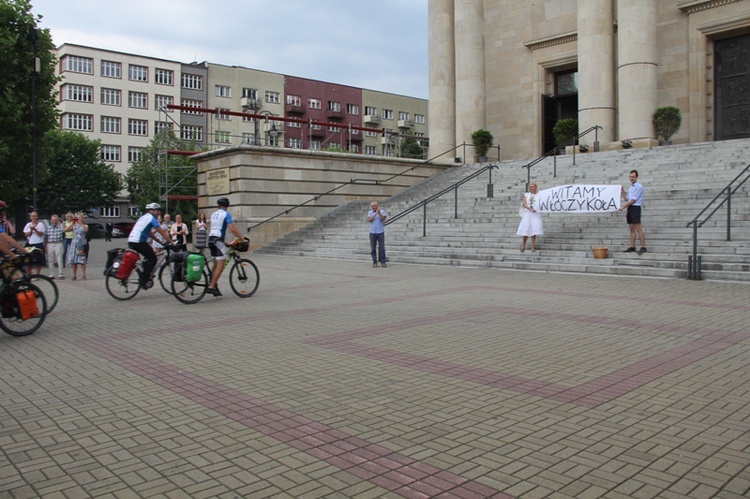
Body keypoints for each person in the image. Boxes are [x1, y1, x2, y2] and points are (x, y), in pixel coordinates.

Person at [128, 203, 175, 289]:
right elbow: (161, 231)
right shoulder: (151, 218)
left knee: (148, 256)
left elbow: (149, 232)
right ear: (151, 211)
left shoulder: (143, 217)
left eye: (159, 211)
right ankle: (144, 279)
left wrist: (158, 240)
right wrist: (171, 241)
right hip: (138, 241)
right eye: (157, 211)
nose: (158, 213)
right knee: (153, 258)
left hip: (132, 240)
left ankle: (144, 272)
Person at [207, 198, 243, 296]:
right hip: (218, 240)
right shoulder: (226, 214)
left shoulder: (214, 214)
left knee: (215, 263)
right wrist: (241, 238)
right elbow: (232, 229)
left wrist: (224, 242)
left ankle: (213, 284)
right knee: (221, 264)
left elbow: (215, 228)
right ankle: (211, 286)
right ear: (227, 206)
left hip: (211, 239)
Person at [620, 169, 647, 255]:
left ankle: (643, 246)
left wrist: (624, 206)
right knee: (631, 228)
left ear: (636, 177)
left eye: (633, 177)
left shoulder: (639, 186)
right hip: (630, 208)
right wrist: (622, 191)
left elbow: (633, 200)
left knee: (638, 228)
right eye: (630, 177)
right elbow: (627, 198)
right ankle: (632, 246)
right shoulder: (631, 187)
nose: (631, 178)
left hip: (635, 207)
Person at [516, 182, 543, 252]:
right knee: (525, 229)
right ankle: (523, 246)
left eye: (532, 186)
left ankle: (532, 246)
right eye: (530, 187)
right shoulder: (527, 195)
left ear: (535, 187)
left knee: (534, 229)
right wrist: (530, 208)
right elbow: (524, 203)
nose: (531, 188)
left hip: (535, 213)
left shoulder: (538, 195)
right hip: (528, 213)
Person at [66, 213, 88, 280]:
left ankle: (84, 275)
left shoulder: (85, 225)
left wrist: (81, 223)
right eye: (77, 217)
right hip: (74, 244)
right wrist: (72, 224)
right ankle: (74, 275)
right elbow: (66, 230)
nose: (78, 219)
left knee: (82, 260)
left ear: (82, 218)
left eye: (79, 217)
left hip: (80, 244)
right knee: (74, 261)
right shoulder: (74, 225)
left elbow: (86, 230)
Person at [367, 201, 387, 268]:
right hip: (372, 232)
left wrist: (379, 213)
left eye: (374, 206)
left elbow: (383, 219)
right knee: (373, 248)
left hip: (380, 232)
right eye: (372, 206)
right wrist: (375, 214)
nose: (373, 207)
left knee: (382, 248)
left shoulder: (382, 211)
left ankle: (383, 262)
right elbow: (369, 220)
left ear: (377, 206)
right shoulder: (370, 212)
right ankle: (374, 262)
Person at [46, 214, 65, 279]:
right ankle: (51, 274)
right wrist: (45, 246)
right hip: (50, 244)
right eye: (53, 220)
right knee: (50, 260)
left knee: (59, 259)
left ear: (57, 220)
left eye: (55, 220)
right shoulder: (48, 227)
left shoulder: (60, 227)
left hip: (58, 243)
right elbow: (46, 237)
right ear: (51, 220)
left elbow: (65, 228)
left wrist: (62, 221)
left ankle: (61, 274)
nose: (54, 221)